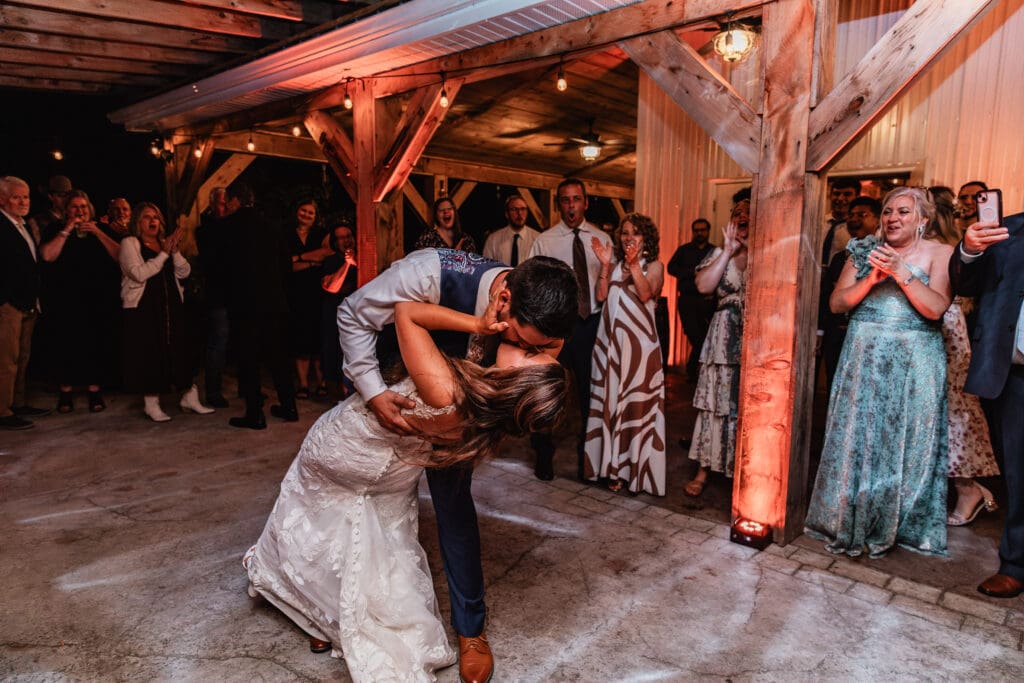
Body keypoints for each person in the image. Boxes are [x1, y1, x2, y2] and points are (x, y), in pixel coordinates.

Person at [246, 300, 569, 680]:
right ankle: (327, 620)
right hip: (391, 471)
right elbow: (551, 351)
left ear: (513, 383)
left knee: (319, 517)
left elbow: (407, 312)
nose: (534, 343)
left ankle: (322, 617)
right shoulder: (486, 420)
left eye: (532, 352)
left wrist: (479, 322)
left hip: (352, 447)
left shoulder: (445, 388)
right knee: (370, 541)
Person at [338, 249, 578, 683]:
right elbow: (352, 315)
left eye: (544, 348)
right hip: (394, 394)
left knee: (453, 505)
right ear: (503, 299)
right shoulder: (429, 273)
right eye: (522, 343)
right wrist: (373, 392)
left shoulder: (545, 314)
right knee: (360, 501)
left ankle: (471, 629)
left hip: (457, 416)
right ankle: (333, 607)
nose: (530, 353)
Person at [805, 187, 953, 558]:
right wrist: (870, 279)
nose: (892, 218)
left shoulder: (942, 254)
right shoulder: (861, 250)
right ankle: (848, 514)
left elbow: (935, 308)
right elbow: (837, 303)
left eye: (903, 211)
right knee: (859, 434)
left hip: (915, 358)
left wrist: (902, 273)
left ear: (923, 218)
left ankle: (902, 523)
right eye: (888, 211)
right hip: (863, 354)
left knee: (907, 437)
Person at [949, 203, 1024, 598]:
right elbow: (964, 284)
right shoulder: (1006, 230)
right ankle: (1015, 564)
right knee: (1018, 472)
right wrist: (969, 250)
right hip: (1016, 375)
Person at [528, 177, 615, 481]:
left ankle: (587, 461)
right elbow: (533, 287)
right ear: (558, 204)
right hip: (557, 326)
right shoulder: (544, 241)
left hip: (591, 325)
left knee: (590, 394)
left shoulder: (603, 239)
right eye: (565, 200)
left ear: (586, 202)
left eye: (576, 199)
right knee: (547, 390)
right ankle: (543, 453)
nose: (571, 205)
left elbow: (611, 286)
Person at [929, 186, 1000, 525]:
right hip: (932, 330)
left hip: (946, 333)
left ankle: (968, 488)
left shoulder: (945, 249)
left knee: (955, 410)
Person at [584, 213, 666, 495]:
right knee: (610, 401)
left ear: (647, 238)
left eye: (636, 232)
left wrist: (634, 266)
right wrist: (606, 266)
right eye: (625, 232)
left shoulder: (654, 265)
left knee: (635, 406)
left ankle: (633, 471)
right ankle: (609, 467)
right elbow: (602, 295)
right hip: (610, 344)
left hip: (640, 349)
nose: (629, 237)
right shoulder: (618, 264)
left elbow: (646, 294)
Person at [119, 203, 214, 422]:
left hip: (170, 303)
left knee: (181, 348)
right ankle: (151, 404)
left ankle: (189, 396)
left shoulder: (165, 244)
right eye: (147, 217)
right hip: (144, 306)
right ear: (137, 222)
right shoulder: (130, 243)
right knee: (151, 353)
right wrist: (163, 254)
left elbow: (184, 271)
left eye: (156, 217)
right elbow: (138, 274)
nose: (153, 221)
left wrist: (174, 251)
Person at [684, 189, 751, 498]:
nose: (742, 216)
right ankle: (704, 469)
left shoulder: (771, 249)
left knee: (747, 406)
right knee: (715, 404)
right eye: (737, 212)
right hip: (723, 335)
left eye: (749, 211)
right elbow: (703, 285)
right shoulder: (720, 252)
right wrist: (728, 250)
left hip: (755, 336)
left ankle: (745, 470)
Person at [38, 190, 120, 413]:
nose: (79, 211)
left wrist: (97, 232)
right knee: (66, 343)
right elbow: (47, 256)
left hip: (96, 297)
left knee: (95, 342)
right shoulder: (55, 229)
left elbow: (121, 256)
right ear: (66, 210)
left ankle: (95, 390)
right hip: (65, 297)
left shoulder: (100, 229)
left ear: (90, 209)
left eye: (83, 207)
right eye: (74, 207)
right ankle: (66, 391)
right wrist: (66, 230)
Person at [223, 181, 298, 429]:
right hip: (275, 303)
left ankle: (255, 413)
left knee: (249, 360)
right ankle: (289, 407)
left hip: (245, 306)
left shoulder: (228, 228)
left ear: (234, 201)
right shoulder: (272, 227)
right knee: (279, 358)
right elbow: (286, 266)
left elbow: (221, 269)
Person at [0, 176, 49, 430]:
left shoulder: (24, 225)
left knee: (22, 354)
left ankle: (17, 402)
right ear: (2, 199)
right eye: (16, 197)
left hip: (28, 301)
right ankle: (2, 410)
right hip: (8, 304)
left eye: (26, 197)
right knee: (6, 358)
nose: (22, 201)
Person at [819, 196, 881, 391]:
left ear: (878, 219)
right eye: (851, 215)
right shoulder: (840, 258)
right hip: (837, 331)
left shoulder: (885, 254)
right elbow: (826, 294)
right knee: (834, 384)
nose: (854, 219)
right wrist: (820, 330)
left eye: (861, 215)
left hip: (869, 333)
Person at [285, 198, 332, 399]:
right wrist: (313, 261)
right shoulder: (286, 234)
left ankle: (322, 382)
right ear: (297, 211)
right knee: (300, 339)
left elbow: (327, 253)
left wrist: (301, 258)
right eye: (303, 210)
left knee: (319, 339)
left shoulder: (322, 234)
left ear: (316, 216)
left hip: (319, 292)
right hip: (296, 293)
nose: (306, 214)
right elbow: (286, 265)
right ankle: (303, 384)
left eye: (310, 212)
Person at [666, 217, 715, 382]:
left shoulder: (714, 252)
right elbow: (671, 268)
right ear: (693, 232)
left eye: (703, 230)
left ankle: (693, 372)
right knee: (696, 336)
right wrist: (691, 272)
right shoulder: (684, 250)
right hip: (687, 301)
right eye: (697, 230)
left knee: (705, 337)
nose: (699, 233)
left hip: (707, 301)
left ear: (708, 231)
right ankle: (693, 371)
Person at [195, 187, 231, 407]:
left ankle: (247, 387)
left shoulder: (238, 227)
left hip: (240, 294)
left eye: (227, 203)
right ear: (212, 205)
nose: (225, 207)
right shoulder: (205, 230)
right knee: (218, 343)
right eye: (221, 203)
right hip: (219, 295)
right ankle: (213, 391)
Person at [319, 217, 358, 397]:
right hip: (335, 313)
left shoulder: (367, 257)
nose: (346, 240)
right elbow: (331, 287)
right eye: (341, 238)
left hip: (357, 315)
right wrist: (347, 264)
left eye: (348, 235)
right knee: (334, 356)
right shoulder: (332, 261)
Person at [482, 194, 540, 266]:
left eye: (523, 209)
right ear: (507, 214)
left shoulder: (537, 239)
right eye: (514, 209)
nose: (519, 213)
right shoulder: (493, 239)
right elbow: (486, 267)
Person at [414, 196, 478, 253]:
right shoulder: (427, 237)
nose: (446, 212)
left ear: (454, 212)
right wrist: (453, 255)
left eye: (449, 208)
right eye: (441, 210)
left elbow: (473, 264)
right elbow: (419, 262)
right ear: (436, 216)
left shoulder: (466, 240)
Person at [823, 177, 861, 265]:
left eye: (847, 194)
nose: (840, 198)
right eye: (836, 194)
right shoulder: (818, 222)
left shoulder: (858, 228)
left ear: (857, 197)